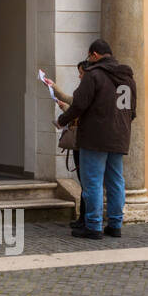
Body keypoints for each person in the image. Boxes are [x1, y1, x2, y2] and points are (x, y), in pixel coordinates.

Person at [56, 39, 136, 239]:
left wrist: (62, 119)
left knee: (93, 182)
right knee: (116, 181)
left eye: (89, 57)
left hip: (95, 137)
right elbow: (132, 111)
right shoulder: (128, 77)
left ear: (94, 55)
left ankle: (93, 226)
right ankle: (115, 224)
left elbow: (79, 105)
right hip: (120, 137)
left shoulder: (94, 75)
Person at [46, 61, 89, 228]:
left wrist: (65, 114)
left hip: (83, 140)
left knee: (87, 182)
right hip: (82, 140)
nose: (79, 76)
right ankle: (84, 218)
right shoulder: (85, 89)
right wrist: (64, 105)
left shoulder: (88, 89)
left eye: (81, 73)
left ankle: (87, 219)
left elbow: (79, 110)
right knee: (85, 181)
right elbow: (74, 106)